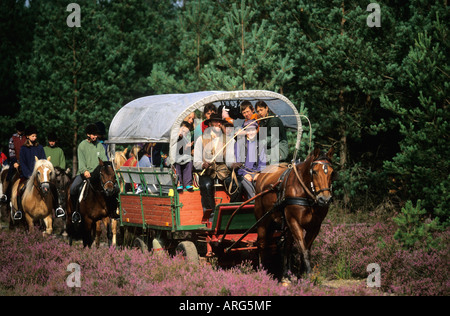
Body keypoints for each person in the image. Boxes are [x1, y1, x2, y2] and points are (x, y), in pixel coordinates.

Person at [193, 114, 232, 221]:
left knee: (237, 186)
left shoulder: (228, 140)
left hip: (222, 172)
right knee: (206, 184)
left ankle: (231, 213)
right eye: (215, 122)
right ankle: (211, 214)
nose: (218, 124)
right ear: (210, 124)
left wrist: (233, 164)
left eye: (220, 122)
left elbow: (229, 161)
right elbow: (196, 161)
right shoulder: (201, 140)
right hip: (207, 172)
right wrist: (202, 164)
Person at [69, 123, 107, 223]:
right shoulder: (82, 145)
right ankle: (75, 212)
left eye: (96, 134)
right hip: (84, 174)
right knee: (73, 188)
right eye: (93, 134)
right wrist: (84, 171)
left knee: (110, 187)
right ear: (88, 135)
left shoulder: (100, 146)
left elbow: (104, 160)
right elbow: (81, 162)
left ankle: (111, 211)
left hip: (98, 175)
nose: (95, 136)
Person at [234, 120, 266, 199]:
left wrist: (258, 173)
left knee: (261, 187)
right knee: (251, 191)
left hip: (255, 172)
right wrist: (245, 174)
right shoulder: (239, 144)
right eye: (249, 130)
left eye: (253, 130)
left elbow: (262, 162)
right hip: (242, 173)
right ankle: (253, 205)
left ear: (256, 131)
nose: (251, 132)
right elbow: (238, 163)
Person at [4, 122, 26, 203]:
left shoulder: (26, 138)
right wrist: (14, 162)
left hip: (25, 163)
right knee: (9, 176)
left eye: (21, 131)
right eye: (19, 131)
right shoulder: (12, 139)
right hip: (15, 162)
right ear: (17, 130)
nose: (20, 132)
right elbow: (11, 152)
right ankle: (5, 194)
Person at [174, 121, 194, 191]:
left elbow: (183, 151)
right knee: (176, 162)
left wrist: (186, 148)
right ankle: (179, 183)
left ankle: (187, 183)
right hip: (170, 157)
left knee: (189, 160)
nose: (183, 133)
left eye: (185, 132)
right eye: (182, 130)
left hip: (181, 157)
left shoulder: (185, 139)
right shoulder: (174, 136)